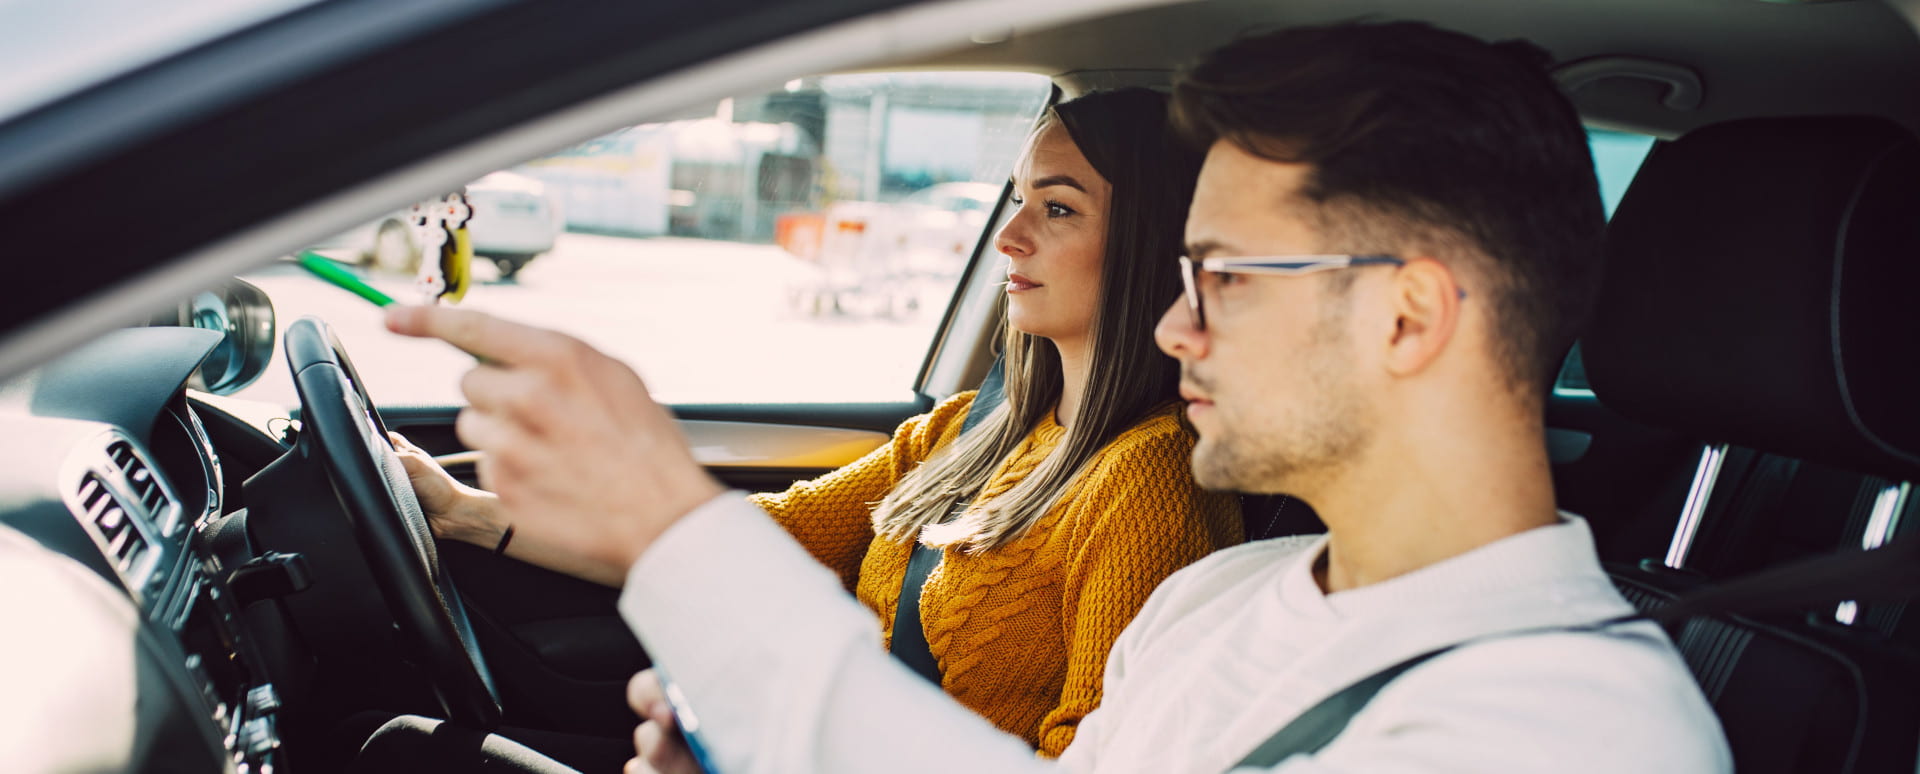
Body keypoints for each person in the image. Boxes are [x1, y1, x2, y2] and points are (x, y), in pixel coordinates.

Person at [385, 20, 1732, 774]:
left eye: (1224, 278)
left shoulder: (1575, 730)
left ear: (1407, 311)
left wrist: (684, 546)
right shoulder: (1221, 604)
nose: (1170, 321)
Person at [390, 86, 1243, 757]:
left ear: (1144, 243)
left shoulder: (1150, 482)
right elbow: (770, 536)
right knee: (396, 743)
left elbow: (1090, 755)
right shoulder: (968, 431)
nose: (1008, 237)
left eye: (1057, 209)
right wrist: (464, 512)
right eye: (1018, 200)